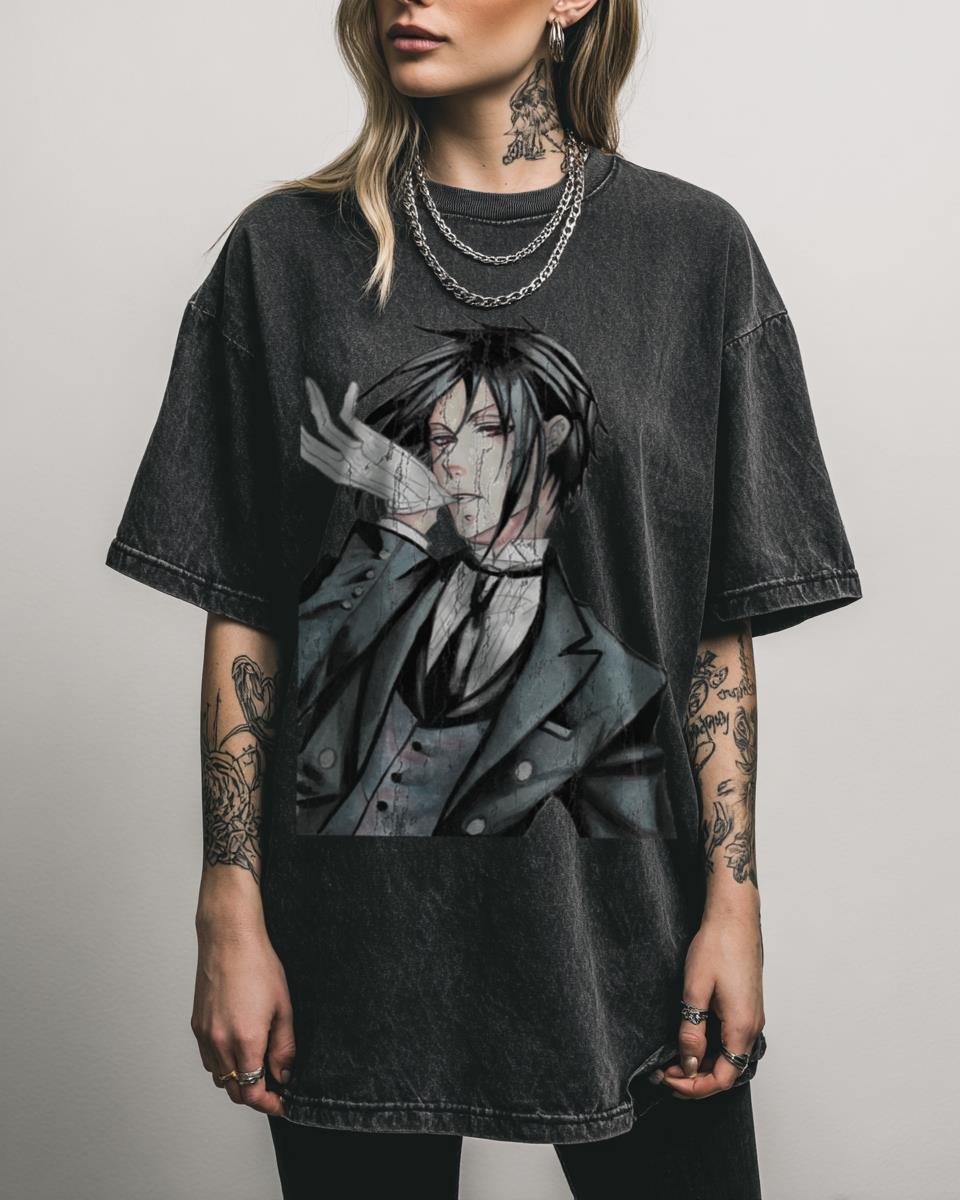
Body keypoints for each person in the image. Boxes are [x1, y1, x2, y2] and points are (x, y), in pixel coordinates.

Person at [104, 1, 864, 1196]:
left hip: (630, 938)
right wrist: (229, 905)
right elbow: (246, 609)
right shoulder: (285, 254)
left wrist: (734, 903)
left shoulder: (693, 253)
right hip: (352, 953)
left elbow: (713, 632)